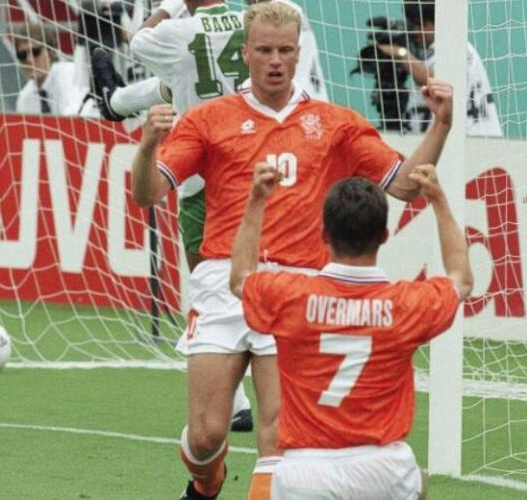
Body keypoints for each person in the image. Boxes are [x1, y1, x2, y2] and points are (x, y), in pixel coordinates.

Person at [131, 2, 454, 498]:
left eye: (285, 50)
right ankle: (206, 480)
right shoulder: (210, 119)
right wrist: (148, 145)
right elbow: (149, 193)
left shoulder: (334, 123)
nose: (275, 60)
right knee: (206, 433)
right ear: (246, 53)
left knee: (278, 437)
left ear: (298, 53)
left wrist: (440, 127)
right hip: (224, 279)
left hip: (297, 289)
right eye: (264, 50)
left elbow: (405, 187)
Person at [229, 165, 473, 499]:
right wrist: (439, 201)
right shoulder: (406, 303)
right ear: (384, 236)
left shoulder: (291, 296)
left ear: (324, 234)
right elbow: (461, 278)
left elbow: (241, 277)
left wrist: (256, 200)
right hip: (383, 468)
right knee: (416, 479)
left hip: (305, 470)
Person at [93, 0, 255, 435]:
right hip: (256, 159)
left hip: (203, 172)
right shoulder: (252, 22)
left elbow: (139, 38)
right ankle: (116, 101)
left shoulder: (177, 32)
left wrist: (168, 7)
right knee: (265, 279)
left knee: (209, 284)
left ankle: (237, 401)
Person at [378, 0, 502, 136]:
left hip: (475, 138)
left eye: (422, 25)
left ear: (438, 23)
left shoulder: (456, 45)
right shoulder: (428, 52)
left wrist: (400, 53)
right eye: (413, 25)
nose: (415, 31)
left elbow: (433, 80)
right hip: (456, 140)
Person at [14, 22, 88, 116]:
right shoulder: (24, 98)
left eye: (36, 52)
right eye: (22, 55)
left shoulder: (69, 76)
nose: (29, 60)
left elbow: (72, 121)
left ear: (50, 51)